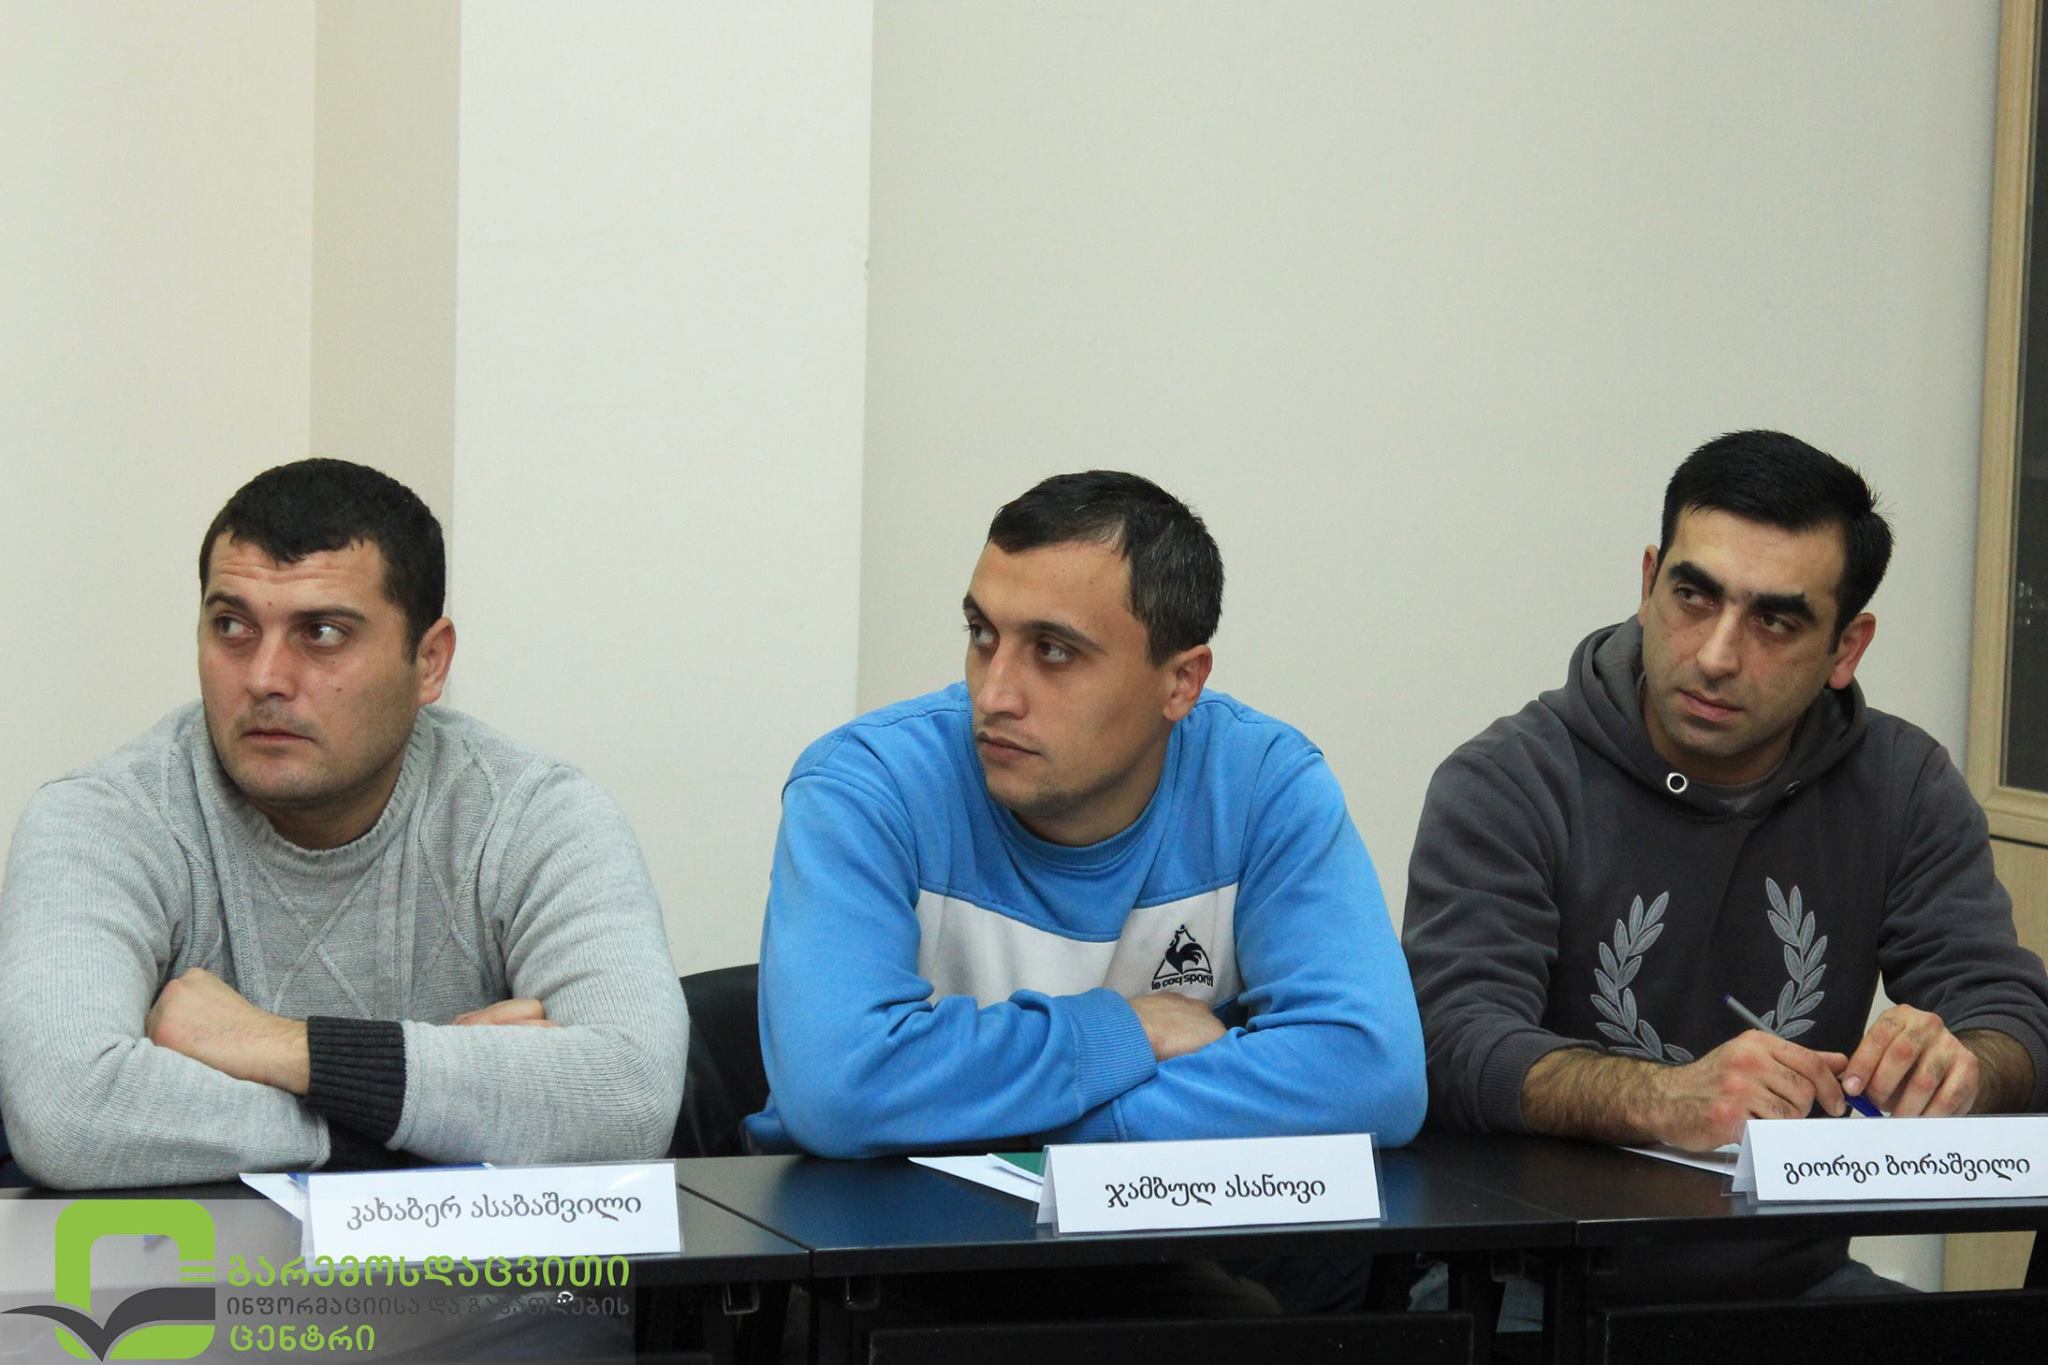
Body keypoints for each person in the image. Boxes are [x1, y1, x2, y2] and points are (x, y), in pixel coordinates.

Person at [1403, 430, 2048, 1306]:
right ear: (1647, 585)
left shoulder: (1904, 784)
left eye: (1775, 621)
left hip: (1794, 1284)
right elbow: (1450, 1039)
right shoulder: (1511, 778)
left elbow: (2013, 1018)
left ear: (1846, 648)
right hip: (1534, 1287)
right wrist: (1663, 1097)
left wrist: (1963, 1065)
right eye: (1693, 596)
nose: (1715, 654)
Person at [0, 459, 688, 1189]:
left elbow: (631, 1095)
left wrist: (277, 1045)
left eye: (322, 632)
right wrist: (427, 1112)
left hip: (473, 1269)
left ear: (430, 662)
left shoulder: (535, 815)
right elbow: (68, 1113)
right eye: (232, 626)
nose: (264, 677)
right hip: (193, 1265)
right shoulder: (103, 819)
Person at [747, 470, 1426, 1161]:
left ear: (1181, 682)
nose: (995, 694)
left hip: (1155, 1224)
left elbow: (1372, 1074)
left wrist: (1027, 1127)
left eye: (1053, 650)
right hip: (872, 1225)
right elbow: (842, 1089)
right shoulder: (865, 787)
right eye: (982, 633)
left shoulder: (1261, 786)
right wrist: (1130, 1032)